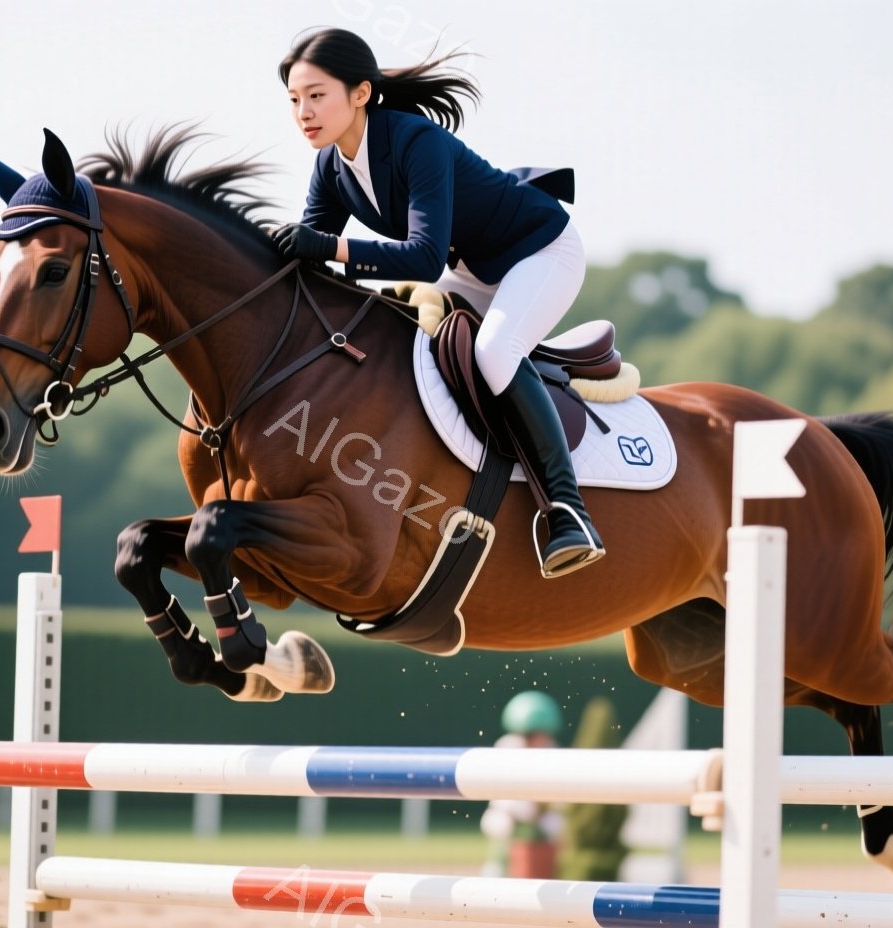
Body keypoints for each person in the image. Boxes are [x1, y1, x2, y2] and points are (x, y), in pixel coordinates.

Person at [274, 27, 604, 578]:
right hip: (473, 270)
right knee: (403, 346)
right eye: (293, 101)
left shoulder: (413, 141)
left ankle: (569, 511)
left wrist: (332, 245)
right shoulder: (331, 169)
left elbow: (424, 259)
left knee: (496, 351)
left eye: (316, 96)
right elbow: (305, 260)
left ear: (360, 94)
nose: (303, 112)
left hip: (540, 251)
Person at [479, 690, 565, 878]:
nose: (534, 740)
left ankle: (551, 873)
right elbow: (501, 793)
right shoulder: (507, 747)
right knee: (499, 824)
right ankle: (496, 868)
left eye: (538, 734)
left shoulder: (552, 752)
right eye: (529, 734)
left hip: (542, 815)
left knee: (556, 827)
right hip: (511, 811)